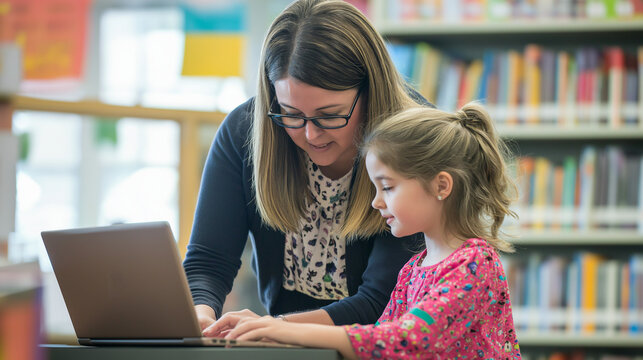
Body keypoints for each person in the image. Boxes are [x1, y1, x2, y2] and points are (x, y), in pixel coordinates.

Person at [183, 0, 429, 336]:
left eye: (330, 115)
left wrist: (276, 327)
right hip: (283, 343)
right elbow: (208, 261)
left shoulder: (416, 140)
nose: (311, 134)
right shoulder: (245, 131)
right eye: (291, 114)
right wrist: (201, 313)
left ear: (371, 92)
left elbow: (382, 302)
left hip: (376, 346)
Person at [222, 103, 523, 359]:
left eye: (388, 187)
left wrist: (287, 329)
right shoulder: (412, 270)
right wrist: (279, 331)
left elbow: (407, 340)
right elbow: (378, 341)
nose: (376, 202)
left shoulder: (475, 263)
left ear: (441, 186)